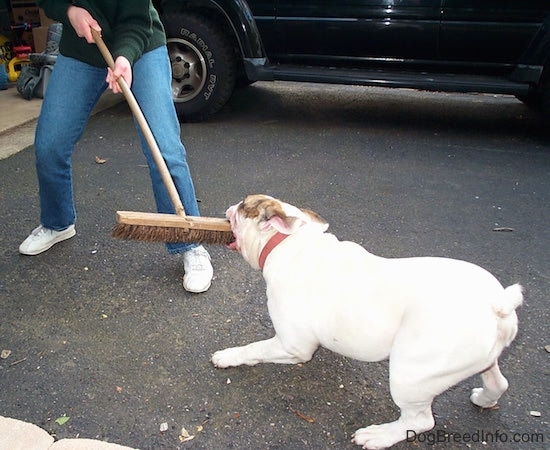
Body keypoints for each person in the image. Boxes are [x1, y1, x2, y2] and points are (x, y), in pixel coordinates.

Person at [18, 0, 214, 293]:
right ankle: (57, 223)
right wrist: (70, 11)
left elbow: (136, 20)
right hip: (82, 49)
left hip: (141, 46)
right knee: (50, 145)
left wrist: (125, 57)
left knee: (164, 149)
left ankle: (189, 241)